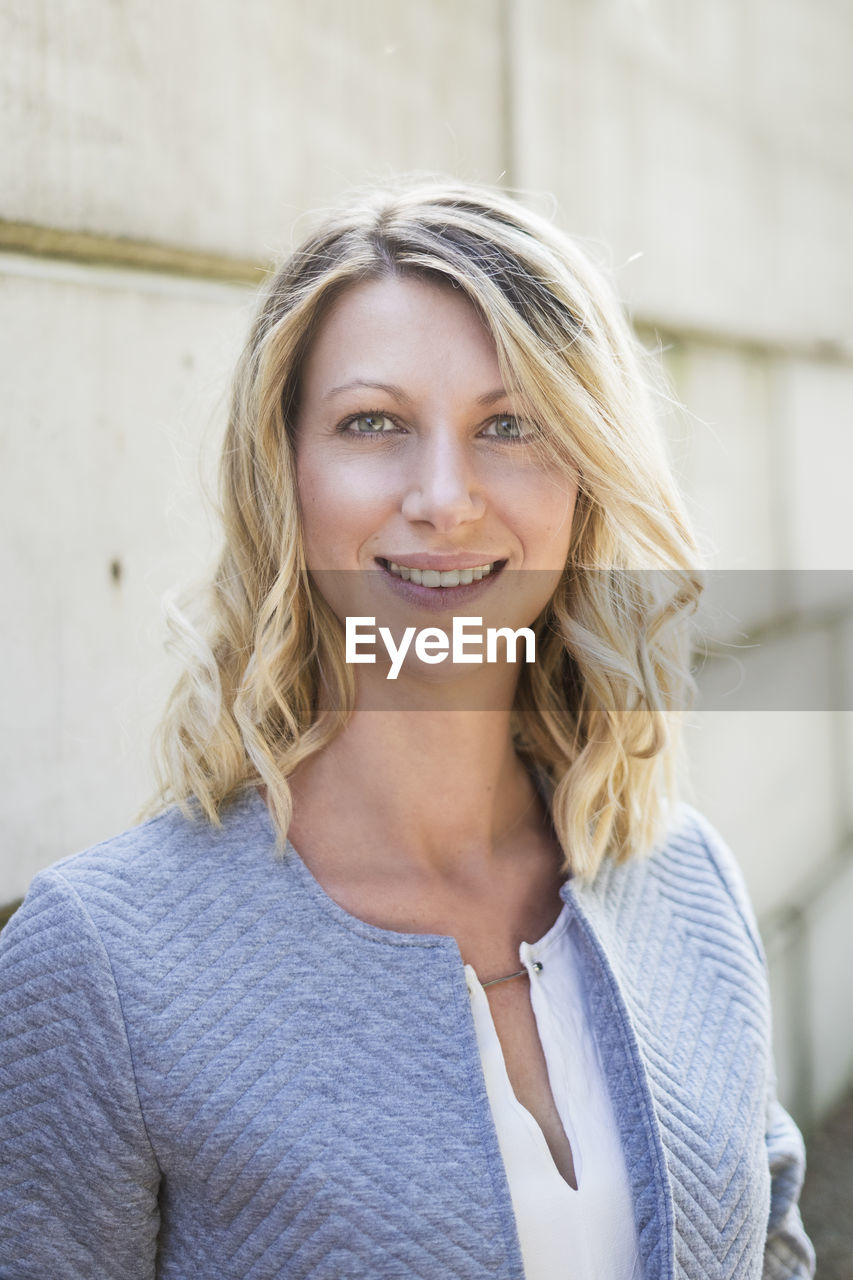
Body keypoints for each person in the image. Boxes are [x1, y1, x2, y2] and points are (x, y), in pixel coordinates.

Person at [0, 180, 814, 1280]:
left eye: (511, 424)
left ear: (583, 478)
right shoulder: (97, 960)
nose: (443, 496)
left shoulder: (683, 877)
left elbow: (767, 1247)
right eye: (372, 422)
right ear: (282, 475)